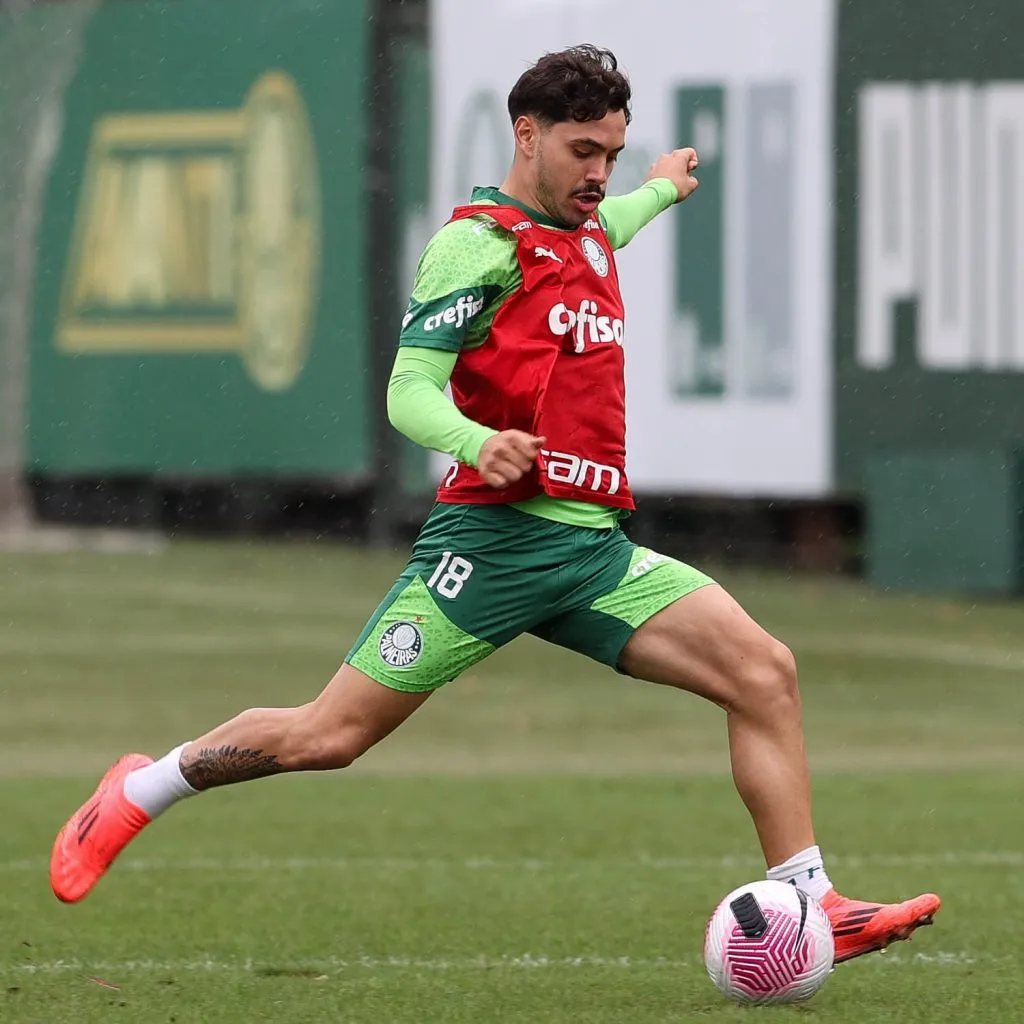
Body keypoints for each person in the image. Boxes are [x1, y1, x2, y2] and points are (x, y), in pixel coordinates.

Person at [51, 44, 939, 963]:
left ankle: (812, 898)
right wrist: (477, 441)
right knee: (330, 736)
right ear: (527, 134)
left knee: (764, 673)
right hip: (489, 548)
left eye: (612, 154)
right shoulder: (476, 245)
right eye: (583, 150)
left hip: (593, 554)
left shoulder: (589, 225)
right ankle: (141, 788)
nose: (600, 173)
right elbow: (409, 387)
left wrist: (664, 188)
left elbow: (615, 224)